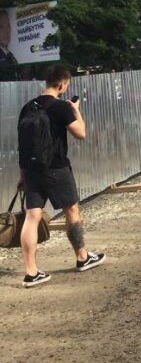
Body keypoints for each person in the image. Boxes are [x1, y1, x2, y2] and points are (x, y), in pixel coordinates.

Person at [16, 63, 106, 288]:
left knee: (32, 217)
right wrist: (75, 109)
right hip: (56, 168)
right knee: (72, 211)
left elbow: (23, 145)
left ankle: (31, 272)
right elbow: (81, 134)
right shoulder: (61, 107)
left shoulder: (28, 107)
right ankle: (83, 257)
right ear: (62, 84)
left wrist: (22, 176)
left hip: (31, 171)